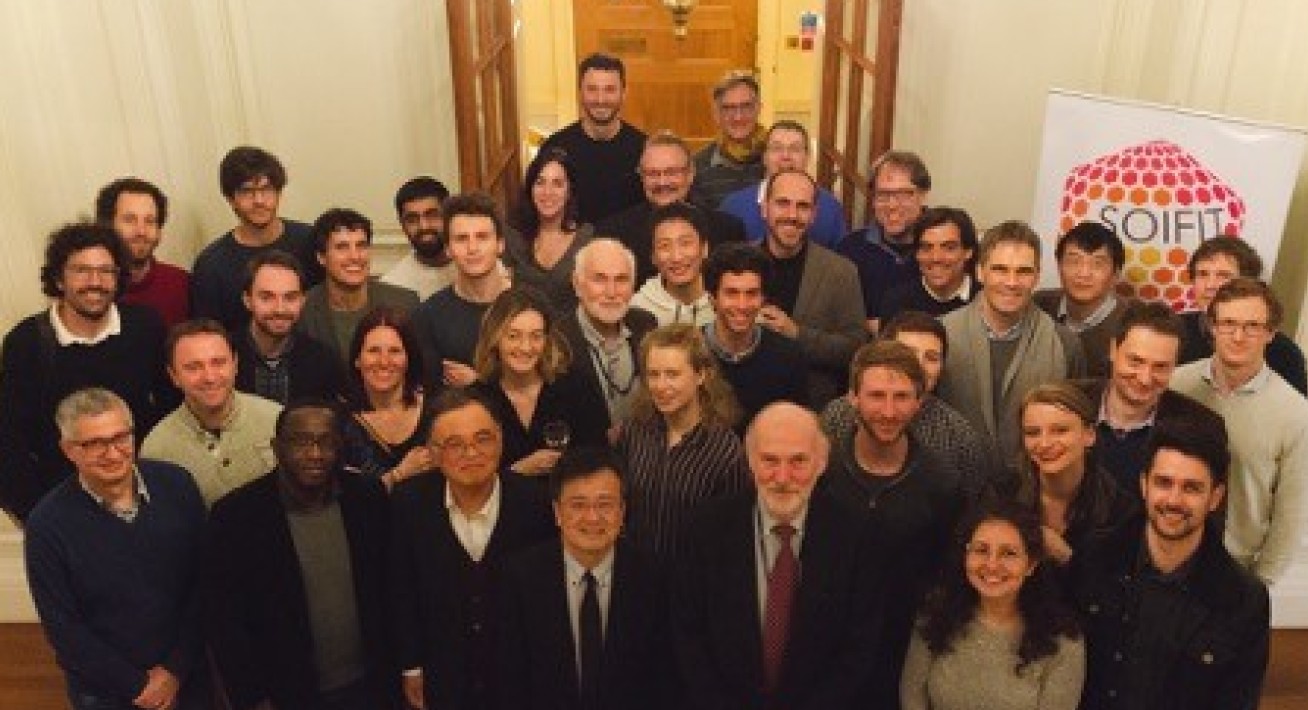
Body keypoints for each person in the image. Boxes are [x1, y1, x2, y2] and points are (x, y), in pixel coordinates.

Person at [671, 403, 883, 710]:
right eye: (769, 460)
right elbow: (689, 639)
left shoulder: (858, 537)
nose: (782, 477)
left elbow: (859, 650)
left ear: (821, 463)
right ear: (749, 461)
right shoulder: (704, 530)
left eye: (798, 461)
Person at [203, 399, 399, 710]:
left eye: (326, 442)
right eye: (300, 442)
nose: (315, 454)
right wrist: (251, 696)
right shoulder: (236, 516)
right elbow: (226, 619)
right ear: (277, 448)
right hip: (287, 694)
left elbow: (391, 590)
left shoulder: (367, 498)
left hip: (370, 688)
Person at [25, 388, 209, 709]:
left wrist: (174, 672)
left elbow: (205, 582)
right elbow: (64, 629)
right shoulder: (46, 525)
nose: (112, 453)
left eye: (120, 437)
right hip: (106, 690)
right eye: (93, 444)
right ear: (68, 450)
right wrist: (141, 687)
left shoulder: (178, 486)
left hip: (188, 673)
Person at [1070, 416, 1269, 710]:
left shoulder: (1243, 600)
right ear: (1144, 485)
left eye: (1191, 488)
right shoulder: (1092, 559)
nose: (1174, 500)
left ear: (1215, 497)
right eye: (1164, 483)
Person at [389, 387, 557, 710]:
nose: (471, 453)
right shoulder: (409, 502)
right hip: (442, 673)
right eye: (454, 444)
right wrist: (411, 665)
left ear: (501, 440)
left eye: (483, 439)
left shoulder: (535, 503)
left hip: (518, 674)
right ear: (433, 452)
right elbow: (401, 588)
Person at [820, 340, 965, 708]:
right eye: (876, 396)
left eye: (901, 397)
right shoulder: (821, 470)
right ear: (852, 398)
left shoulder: (942, 483)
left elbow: (945, 580)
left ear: (919, 402)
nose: (888, 411)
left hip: (901, 657)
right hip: (825, 651)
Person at [1, 224, 171, 522]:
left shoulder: (146, 328)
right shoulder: (26, 342)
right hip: (62, 507)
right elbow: (10, 439)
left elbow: (169, 411)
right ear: (58, 278)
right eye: (81, 270)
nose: (95, 282)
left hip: (140, 500)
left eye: (106, 271)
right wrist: (36, 515)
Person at [498, 446, 679, 710]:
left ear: (622, 511)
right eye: (578, 505)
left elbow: (666, 681)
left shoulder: (656, 577)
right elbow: (508, 680)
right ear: (557, 513)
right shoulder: (519, 578)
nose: (592, 517)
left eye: (605, 504)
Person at [1170, 278, 1308, 584]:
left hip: (1234, 570)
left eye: (1252, 326)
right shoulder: (1175, 385)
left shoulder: (1296, 413)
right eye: (1228, 323)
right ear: (1212, 326)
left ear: (1271, 333)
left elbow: (1291, 513)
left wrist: (1261, 583)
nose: (1238, 336)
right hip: (1163, 557)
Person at [901, 500, 1085, 710]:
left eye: (1009, 553)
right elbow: (911, 697)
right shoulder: (935, 616)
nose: (992, 565)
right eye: (981, 550)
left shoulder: (1063, 642)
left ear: (1031, 564)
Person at [936, 220, 1085, 472]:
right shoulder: (941, 335)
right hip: (951, 487)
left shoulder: (1064, 344)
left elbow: (1075, 428)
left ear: (1037, 276)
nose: (1012, 282)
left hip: (1033, 492)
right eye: (1000, 269)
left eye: (1024, 271)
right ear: (980, 272)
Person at [821, 310, 998, 499]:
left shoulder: (959, 438)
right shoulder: (837, 416)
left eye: (931, 358)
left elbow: (973, 511)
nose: (918, 365)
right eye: (906, 353)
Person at [618, 324, 750, 560]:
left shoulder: (726, 452)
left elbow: (730, 536)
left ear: (701, 375)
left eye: (672, 374)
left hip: (691, 583)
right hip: (635, 575)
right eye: (653, 374)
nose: (660, 386)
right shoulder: (633, 431)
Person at [1070, 300, 1223, 495]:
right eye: (1135, 361)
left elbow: (1208, 517)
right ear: (1113, 350)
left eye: (1160, 367)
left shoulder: (1203, 429)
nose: (1145, 378)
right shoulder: (1066, 406)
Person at [141, 319, 282, 507]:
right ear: (174, 376)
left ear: (235, 364)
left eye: (218, 363)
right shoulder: (157, 449)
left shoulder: (277, 421)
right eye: (193, 367)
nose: (209, 377)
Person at [757, 169, 867, 407]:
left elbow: (857, 348)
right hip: (744, 409)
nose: (792, 215)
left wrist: (797, 334)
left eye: (803, 206)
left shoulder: (841, 271)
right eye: (782, 203)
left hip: (814, 411)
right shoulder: (737, 263)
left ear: (814, 214)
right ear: (764, 208)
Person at [471, 287, 599, 477]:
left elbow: (600, 460)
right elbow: (470, 478)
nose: (526, 347)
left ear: (547, 339)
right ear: (495, 338)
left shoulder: (577, 386)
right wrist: (518, 471)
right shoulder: (475, 401)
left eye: (536, 336)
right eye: (513, 336)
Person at [191, 145, 320, 333]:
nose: (259, 200)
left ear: (279, 193)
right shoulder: (211, 265)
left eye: (266, 189)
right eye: (247, 191)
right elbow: (211, 337)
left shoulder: (310, 241)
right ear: (231, 199)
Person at [599, 130, 746, 282]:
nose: (662, 182)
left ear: (690, 174)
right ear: (642, 177)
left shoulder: (727, 230)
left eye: (672, 172)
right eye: (653, 173)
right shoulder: (613, 235)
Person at [1016, 382, 1136, 566]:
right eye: (1033, 433)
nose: (1045, 443)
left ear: (1089, 435)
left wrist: (1067, 557)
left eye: (1060, 431)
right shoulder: (1001, 495)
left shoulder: (1122, 512)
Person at [410, 192, 513, 389]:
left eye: (482, 237)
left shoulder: (529, 307)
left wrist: (479, 384)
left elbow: (543, 385)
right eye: (461, 238)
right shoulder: (427, 317)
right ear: (448, 249)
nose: (472, 248)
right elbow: (429, 398)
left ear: (500, 244)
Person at [1179, 236, 1306, 394]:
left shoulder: (1284, 354)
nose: (1210, 286)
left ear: (1247, 283)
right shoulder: (1170, 332)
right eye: (1203, 274)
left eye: (1223, 275)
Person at [559, 238, 657, 440]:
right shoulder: (557, 340)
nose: (611, 292)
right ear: (577, 285)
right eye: (600, 279)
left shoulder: (647, 326)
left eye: (621, 279)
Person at [297, 208, 419, 366]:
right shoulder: (301, 309)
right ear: (321, 257)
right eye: (342, 247)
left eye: (361, 246)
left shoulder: (405, 303)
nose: (355, 256)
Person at [701, 242, 807, 421]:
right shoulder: (689, 353)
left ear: (763, 299)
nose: (742, 305)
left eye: (751, 293)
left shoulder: (789, 357)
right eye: (732, 293)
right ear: (712, 299)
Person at [539, 53, 646, 224]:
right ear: (580, 92)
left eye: (609, 90)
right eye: (592, 89)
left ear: (624, 93)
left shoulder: (644, 149)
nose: (600, 99)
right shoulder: (555, 147)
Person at [339, 306, 435, 491]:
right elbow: (348, 500)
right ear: (357, 359)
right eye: (373, 350)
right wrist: (398, 475)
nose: (384, 362)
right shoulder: (340, 423)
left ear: (409, 359)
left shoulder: (438, 410)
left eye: (394, 351)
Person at [835, 150, 931, 332]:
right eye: (883, 195)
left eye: (903, 194)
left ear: (923, 195)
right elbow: (837, 316)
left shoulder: (943, 249)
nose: (892, 205)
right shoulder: (849, 249)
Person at [234, 249, 343, 404]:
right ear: (247, 300)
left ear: (303, 301)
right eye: (267, 298)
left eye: (290, 298)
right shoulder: (223, 357)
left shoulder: (323, 361)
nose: (280, 309)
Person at [718, 120, 846, 247]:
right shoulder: (733, 206)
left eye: (795, 149)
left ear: (807, 157)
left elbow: (837, 263)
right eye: (777, 148)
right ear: (764, 157)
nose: (785, 156)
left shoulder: (830, 207)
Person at [1034, 221, 1131, 377]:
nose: (1084, 273)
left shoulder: (1134, 322)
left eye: (1097, 264)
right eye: (1074, 261)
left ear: (1116, 275)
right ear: (1059, 267)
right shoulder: (1038, 305)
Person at [505, 148, 595, 314]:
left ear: (569, 191)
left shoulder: (587, 238)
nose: (548, 192)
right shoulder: (512, 237)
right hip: (523, 334)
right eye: (540, 182)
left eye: (557, 184)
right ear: (530, 188)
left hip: (572, 337)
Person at [95, 177, 190, 327]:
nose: (141, 231)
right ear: (106, 225)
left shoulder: (182, 284)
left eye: (150, 221)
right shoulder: (91, 288)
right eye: (129, 220)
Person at [877, 206, 979, 321]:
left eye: (949, 248)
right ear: (916, 253)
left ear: (968, 252)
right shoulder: (896, 302)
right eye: (926, 248)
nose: (936, 258)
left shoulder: (986, 299)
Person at [629, 202, 715, 326]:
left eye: (685, 243)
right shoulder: (637, 308)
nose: (676, 257)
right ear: (653, 256)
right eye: (664, 246)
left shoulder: (727, 303)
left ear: (705, 249)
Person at [690, 71, 766, 209]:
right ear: (716, 114)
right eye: (729, 108)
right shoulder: (698, 166)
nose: (738, 117)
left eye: (746, 107)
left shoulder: (776, 158)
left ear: (759, 109)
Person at [379, 176, 453, 300]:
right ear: (402, 225)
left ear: (450, 216)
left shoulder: (475, 268)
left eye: (432, 215)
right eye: (412, 219)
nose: (424, 226)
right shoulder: (393, 286)